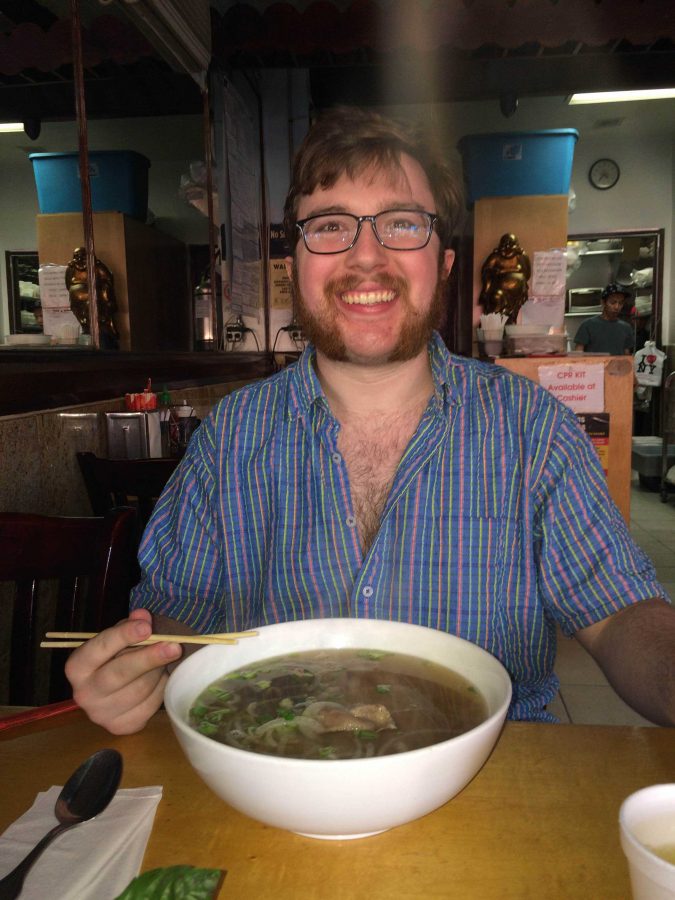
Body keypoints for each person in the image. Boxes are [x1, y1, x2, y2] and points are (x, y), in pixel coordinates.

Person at [66, 107, 674, 735]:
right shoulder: (230, 438)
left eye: (402, 224)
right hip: (280, 777)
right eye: (330, 226)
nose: (366, 257)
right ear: (295, 266)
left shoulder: (533, 430)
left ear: (443, 263)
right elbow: (177, 616)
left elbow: (622, 611)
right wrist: (145, 662)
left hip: (491, 779)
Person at [574, 283, 634, 355]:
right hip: (594, 365)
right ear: (603, 303)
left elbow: (626, 355)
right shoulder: (587, 325)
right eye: (613, 302)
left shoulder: (626, 328)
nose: (617, 307)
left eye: (620, 303)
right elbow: (578, 353)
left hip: (617, 366)